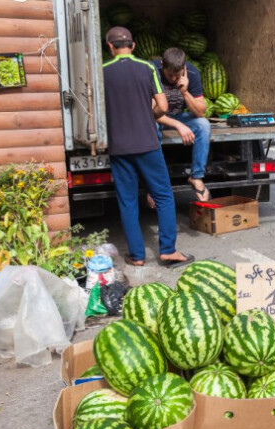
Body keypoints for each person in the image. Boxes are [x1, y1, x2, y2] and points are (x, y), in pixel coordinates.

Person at [103, 27, 193, 268]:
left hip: (119, 146)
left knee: (128, 201)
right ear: (133, 46)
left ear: (110, 47)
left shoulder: (103, 71)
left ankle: (137, 256)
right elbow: (162, 106)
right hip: (147, 143)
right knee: (163, 196)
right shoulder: (147, 68)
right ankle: (168, 251)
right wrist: (147, 114)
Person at [153, 48, 211, 202]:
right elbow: (151, 112)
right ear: (162, 65)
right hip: (157, 119)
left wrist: (185, 92)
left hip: (179, 116)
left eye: (177, 74)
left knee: (203, 125)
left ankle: (197, 176)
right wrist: (179, 125)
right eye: (169, 74)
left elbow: (201, 112)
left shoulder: (191, 72)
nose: (173, 78)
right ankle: (155, 181)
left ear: (184, 67)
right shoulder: (152, 72)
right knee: (152, 127)